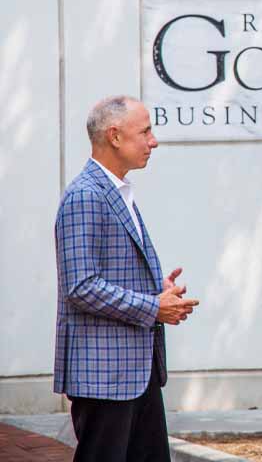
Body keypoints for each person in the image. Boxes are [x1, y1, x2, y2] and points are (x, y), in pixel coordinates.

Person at [54, 95, 200, 462]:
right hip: (105, 378)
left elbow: (109, 274)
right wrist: (154, 306)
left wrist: (159, 289)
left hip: (137, 371)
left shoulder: (117, 192)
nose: (154, 141)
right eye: (146, 131)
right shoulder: (85, 196)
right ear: (115, 136)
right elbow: (81, 286)